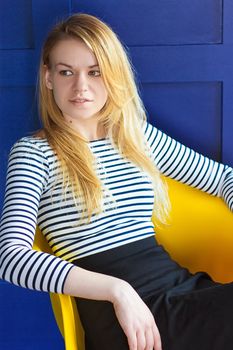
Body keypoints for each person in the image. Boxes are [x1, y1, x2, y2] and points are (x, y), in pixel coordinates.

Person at [0, 13, 233, 350]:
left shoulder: (134, 138)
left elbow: (223, 178)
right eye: (67, 72)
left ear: (112, 75)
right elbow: (11, 257)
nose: (81, 87)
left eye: (94, 72)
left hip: (182, 293)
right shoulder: (34, 153)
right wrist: (117, 290)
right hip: (128, 316)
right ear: (48, 77)